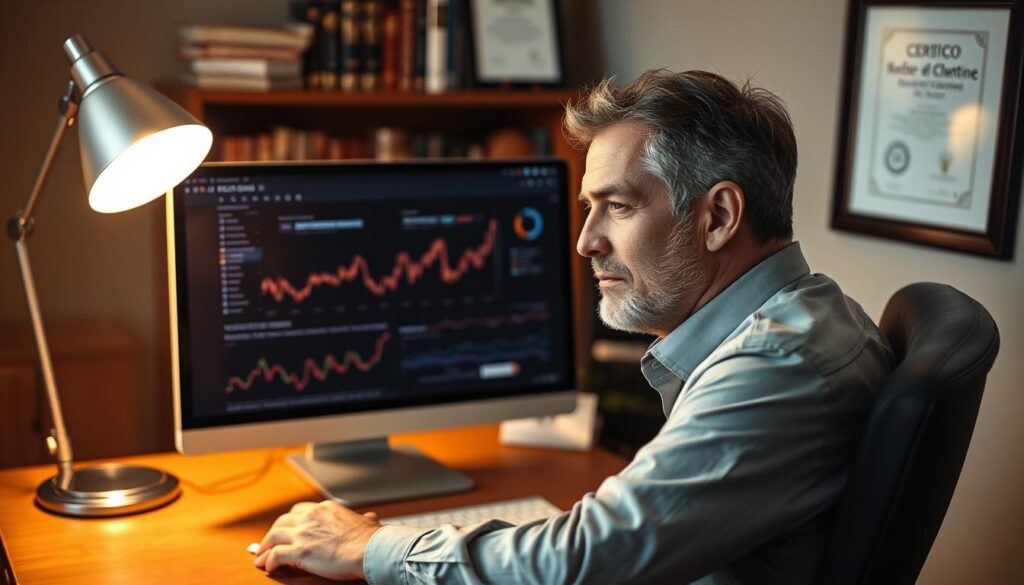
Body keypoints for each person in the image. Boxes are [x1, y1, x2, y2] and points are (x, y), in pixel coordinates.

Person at [252, 69, 893, 584]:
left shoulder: (776, 365)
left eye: (617, 206)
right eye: (590, 208)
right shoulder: (808, 318)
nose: (586, 242)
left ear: (719, 216)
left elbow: (581, 561)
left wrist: (372, 549)